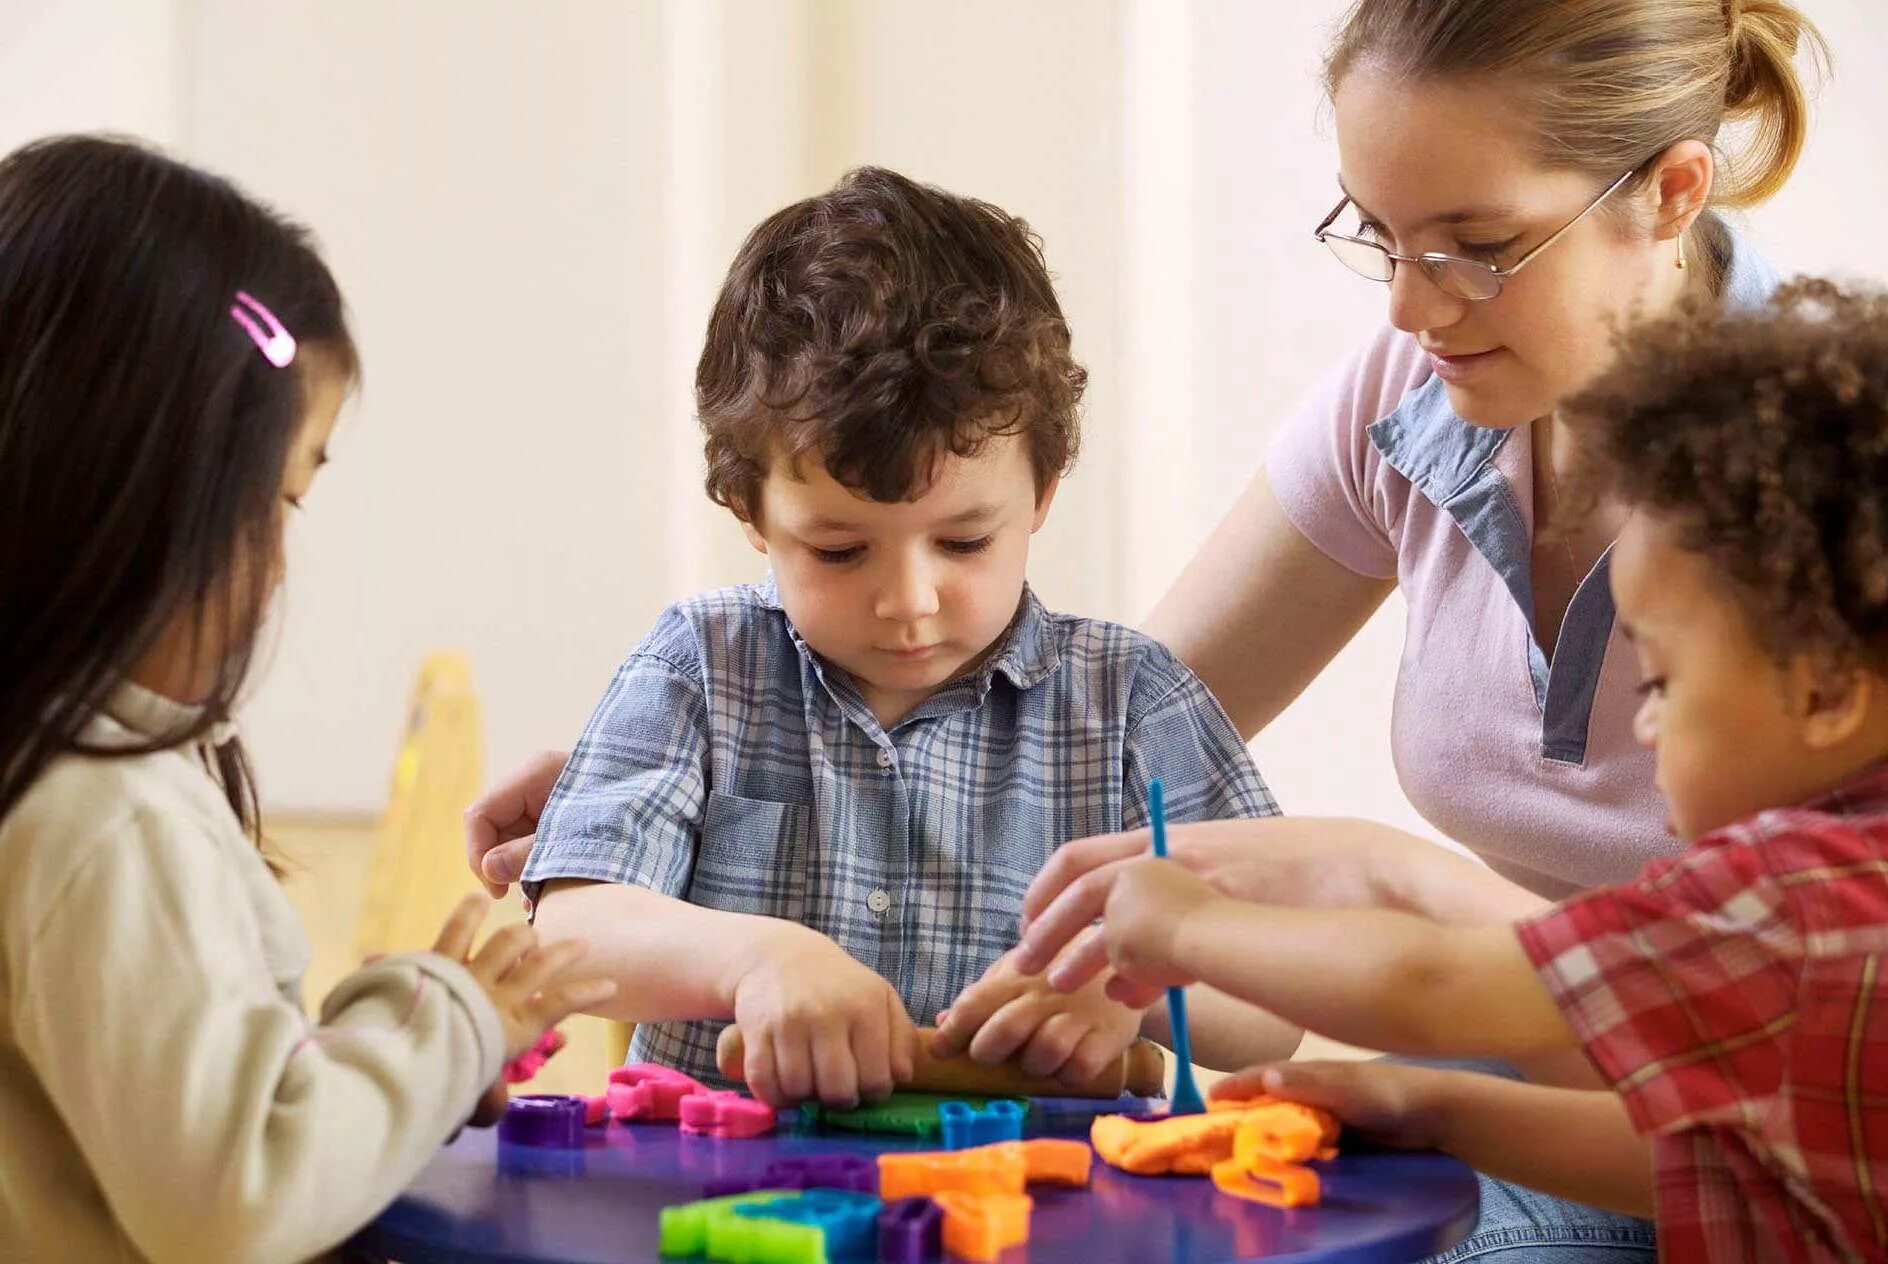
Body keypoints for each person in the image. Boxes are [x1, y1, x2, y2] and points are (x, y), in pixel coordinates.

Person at [1046, 278, 1888, 1263]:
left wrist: (1183, 926)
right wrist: (1436, 1104)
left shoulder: (1792, 897)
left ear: (1828, 690)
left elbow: (1430, 983)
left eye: (1661, 677)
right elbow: (1712, 1161)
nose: (1646, 720)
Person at [507, 168, 1287, 1107]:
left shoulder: (1133, 700)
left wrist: (1133, 981)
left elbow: (1273, 998)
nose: (908, 601)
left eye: (964, 541)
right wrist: (757, 958)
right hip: (725, 1205)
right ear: (750, 511)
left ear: (1041, 492)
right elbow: (568, 936)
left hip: (1042, 1217)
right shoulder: (699, 667)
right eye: (839, 552)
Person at [0, 135, 613, 1263]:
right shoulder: (107, 817)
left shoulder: (55, 783)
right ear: (140, 492)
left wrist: (420, 1057)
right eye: (278, 499)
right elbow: (241, 1196)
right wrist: (451, 1024)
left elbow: (187, 1121)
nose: (281, 565)